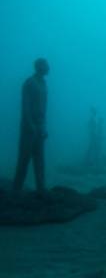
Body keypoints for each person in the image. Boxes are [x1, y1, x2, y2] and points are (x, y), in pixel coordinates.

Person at [13, 58, 50, 193]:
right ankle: (16, 190)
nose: (48, 67)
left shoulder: (44, 84)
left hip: (40, 126)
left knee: (39, 159)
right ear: (39, 66)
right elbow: (26, 106)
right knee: (24, 159)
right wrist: (30, 125)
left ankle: (41, 189)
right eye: (46, 65)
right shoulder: (30, 83)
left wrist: (44, 127)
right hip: (29, 127)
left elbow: (44, 108)